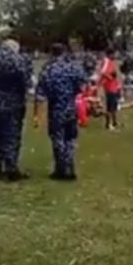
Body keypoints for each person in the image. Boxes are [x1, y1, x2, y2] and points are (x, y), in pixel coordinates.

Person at [0, 38, 32, 181]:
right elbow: (24, 79)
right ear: (14, 48)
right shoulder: (16, 60)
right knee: (12, 136)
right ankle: (11, 168)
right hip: (12, 102)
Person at [34, 43, 87, 180]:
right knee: (70, 138)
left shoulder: (48, 70)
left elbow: (40, 95)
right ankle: (69, 167)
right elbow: (82, 86)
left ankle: (60, 169)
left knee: (58, 138)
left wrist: (37, 115)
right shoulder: (73, 67)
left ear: (52, 53)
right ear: (64, 52)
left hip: (56, 108)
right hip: (70, 106)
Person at [99, 47, 121, 130]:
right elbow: (103, 72)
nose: (115, 55)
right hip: (109, 87)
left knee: (114, 105)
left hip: (113, 86)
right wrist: (110, 78)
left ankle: (114, 122)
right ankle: (108, 124)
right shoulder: (106, 61)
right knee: (110, 106)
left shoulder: (111, 62)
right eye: (113, 54)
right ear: (110, 54)